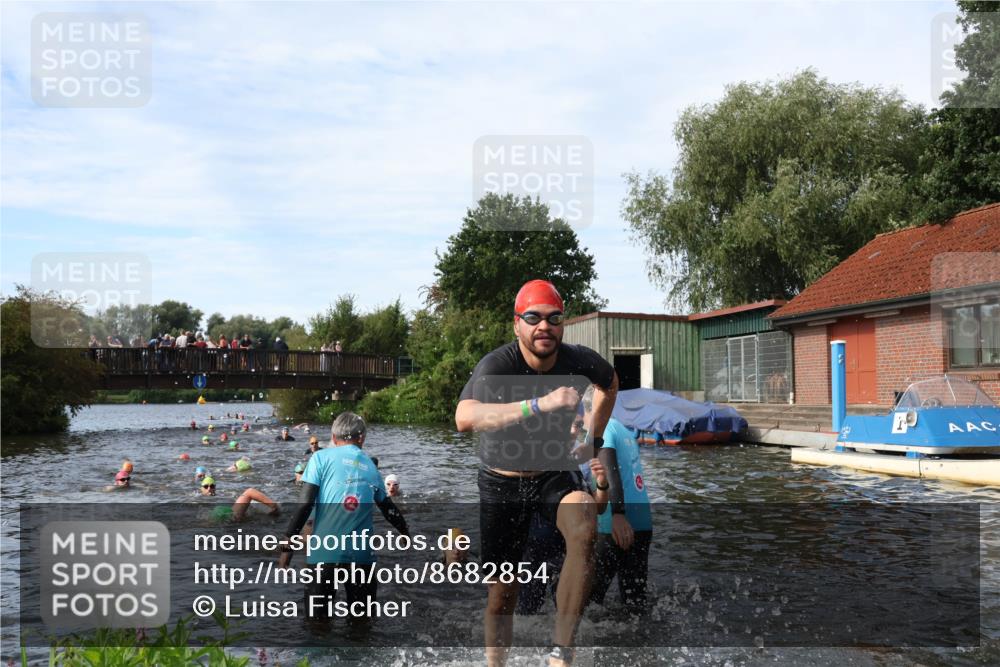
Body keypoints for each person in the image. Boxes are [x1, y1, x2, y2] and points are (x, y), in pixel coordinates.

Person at [455, 279, 620, 667]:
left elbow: (610, 384)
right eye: (533, 318)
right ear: (517, 325)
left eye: (553, 318)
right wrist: (539, 404)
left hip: (552, 474)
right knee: (503, 591)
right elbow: (464, 418)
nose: (544, 326)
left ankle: (561, 652)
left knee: (584, 523)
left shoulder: (578, 359)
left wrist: (591, 439)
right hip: (502, 481)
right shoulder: (498, 365)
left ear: (563, 325)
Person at [279, 412, 408, 623]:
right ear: (362, 438)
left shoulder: (320, 458)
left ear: (333, 436)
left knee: (317, 625)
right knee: (361, 625)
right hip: (361, 558)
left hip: (324, 555)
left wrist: (288, 542)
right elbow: (388, 508)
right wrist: (404, 531)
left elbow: (305, 504)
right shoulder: (371, 468)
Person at [582, 387, 652, 616]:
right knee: (634, 599)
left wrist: (617, 514)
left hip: (615, 522)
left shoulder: (602, 429)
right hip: (642, 522)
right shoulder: (622, 429)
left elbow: (610, 470)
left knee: (591, 598)